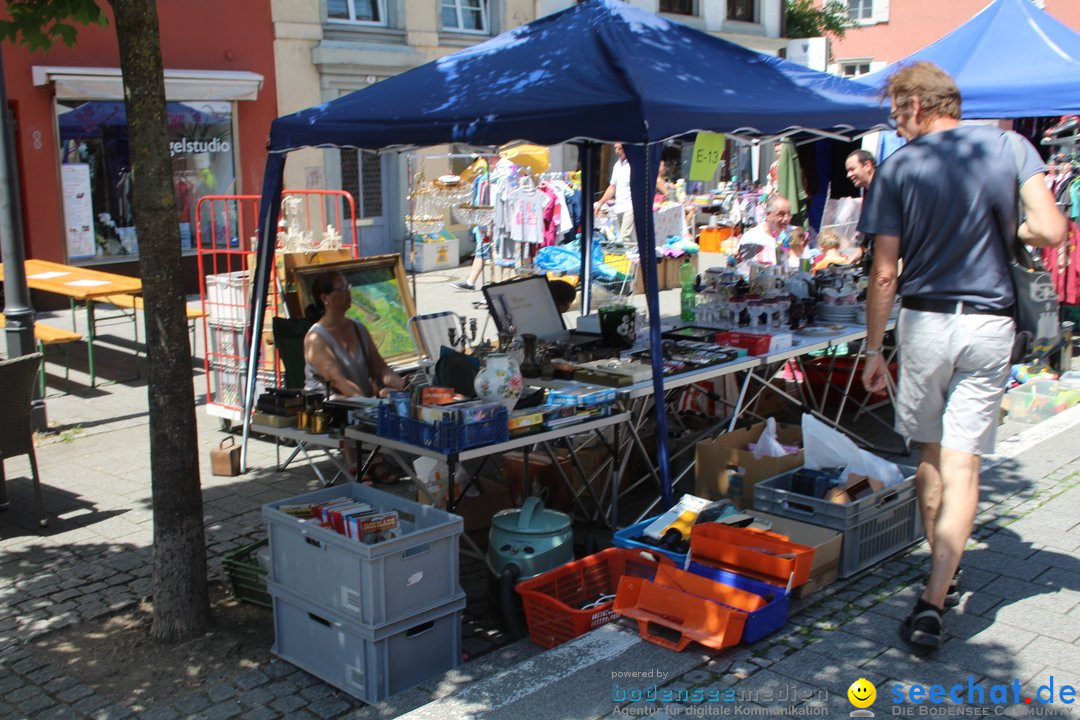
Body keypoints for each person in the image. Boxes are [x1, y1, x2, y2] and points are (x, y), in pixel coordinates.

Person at [859, 62, 1066, 650]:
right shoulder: (1009, 145)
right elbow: (1051, 231)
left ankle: (939, 588)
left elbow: (883, 272)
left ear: (919, 105)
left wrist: (874, 348)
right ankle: (935, 594)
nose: (897, 128)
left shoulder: (900, 167)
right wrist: (1010, 228)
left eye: (899, 114)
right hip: (991, 325)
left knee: (929, 455)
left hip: (926, 323)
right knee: (964, 465)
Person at [303, 270, 406, 400]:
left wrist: (403, 385)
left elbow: (380, 369)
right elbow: (338, 381)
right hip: (332, 411)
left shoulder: (358, 328)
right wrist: (368, 403)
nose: (348, 292)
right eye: (341, 289)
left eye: (348, 287)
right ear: (325, 298)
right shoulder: (316, 338)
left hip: (362, 405)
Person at [593, 143, 634, 243]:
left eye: (620, 148)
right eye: (615, 148)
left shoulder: (633, 165)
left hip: (631, 204)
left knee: (625, 235)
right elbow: (612, 187)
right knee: (622, 236)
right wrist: (600, 203)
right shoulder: (617, 165)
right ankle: (631, 256)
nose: (617, 151)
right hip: (619, 205)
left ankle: (632, 256)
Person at [736, 194, 791, 268]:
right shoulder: (751, 238)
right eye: (781, 214)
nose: (786, 219)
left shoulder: (792, 234)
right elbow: (742, 268)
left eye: (789, 214)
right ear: (768, 214)